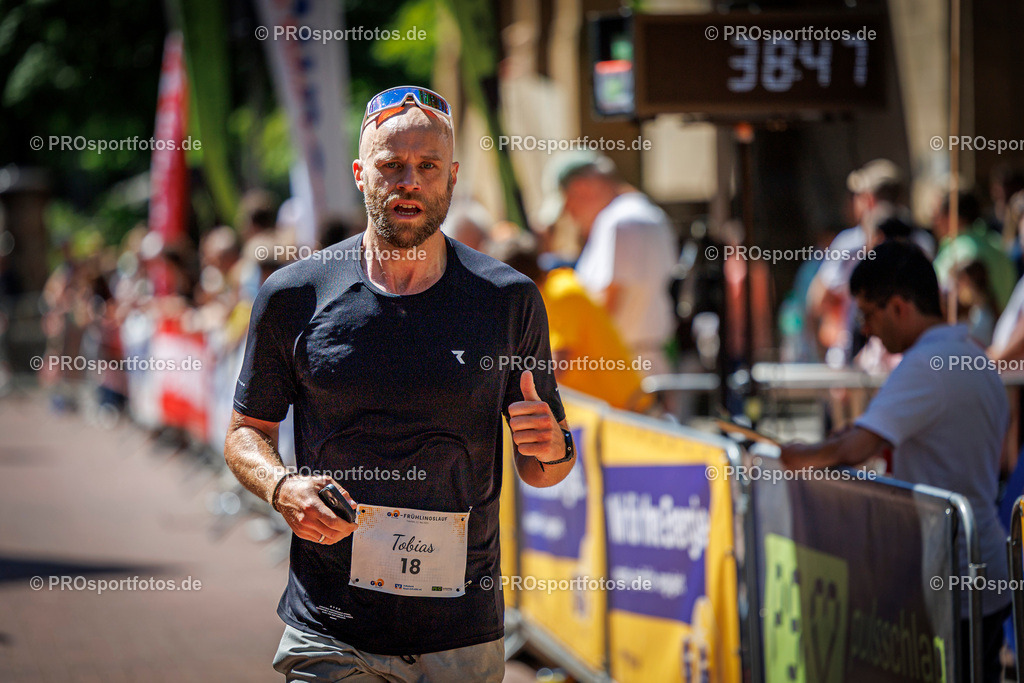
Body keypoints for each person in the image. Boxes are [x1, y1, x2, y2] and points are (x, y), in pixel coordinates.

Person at [224, 86, 574, 682]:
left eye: (428, 166)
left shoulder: (507, 300)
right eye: (391, 165)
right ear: (361, 174)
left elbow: (545, 467)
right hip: (331, 626)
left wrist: (552, 448)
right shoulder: (293, 295)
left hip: (460, 636)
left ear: (452, 177)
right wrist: (282, 487)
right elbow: (243, 433)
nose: (409, 182)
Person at [779, 241, 1011, 683]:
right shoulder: (972, 355)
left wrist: (794, 456)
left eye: (868, 314)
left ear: (900, 307)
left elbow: (854, 448)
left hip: (953, 575)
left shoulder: (926, 364)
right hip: (976, 569)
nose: (866, 329)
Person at [541, 152, 677, 374]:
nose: (570, 215)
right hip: (648, 361)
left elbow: (605, 307)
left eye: (569, 205)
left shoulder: (618, 221)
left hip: (626, 368)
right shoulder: (648, 213)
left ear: (584, 187)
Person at [491, 234, 650, 411]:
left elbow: (555, 367)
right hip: (608, 412)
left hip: (627, 412)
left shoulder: (562, 293)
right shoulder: (547, 295)